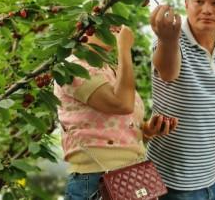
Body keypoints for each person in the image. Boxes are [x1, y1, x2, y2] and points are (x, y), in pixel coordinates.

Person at [54, 25, 178, 200]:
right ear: (81, 28)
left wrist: (147, 130)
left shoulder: (108, 68)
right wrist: (124, 49)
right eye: (106, 23)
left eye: (115, 24)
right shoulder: (72, 67)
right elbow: (122, 105)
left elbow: (119, 129)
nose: (115, 29)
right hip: (96, 178)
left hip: (133, 174)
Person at [147, 0, 215, 200]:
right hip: (172, 183)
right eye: (199, 1)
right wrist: (168, 40)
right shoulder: (171, 41)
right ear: (187, 4)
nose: (207, 9)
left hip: (213, 177)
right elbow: (168, 72)